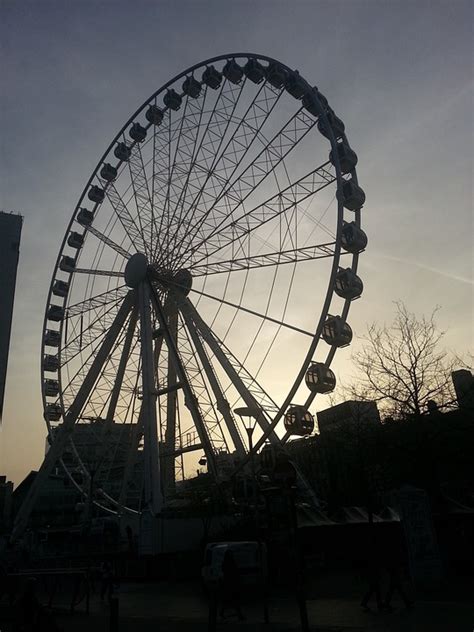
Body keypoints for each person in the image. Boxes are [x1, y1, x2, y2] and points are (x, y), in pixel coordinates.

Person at [219, 549, 244, 621]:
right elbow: (233, 573)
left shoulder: (226, 563)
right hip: (231, 584)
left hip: (229, 584)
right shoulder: (229, 563)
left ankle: (239, 615)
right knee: (234, 600)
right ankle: (240, 615)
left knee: (229, 600)